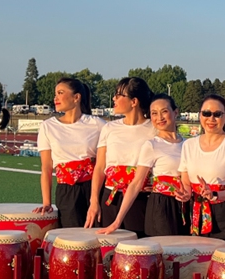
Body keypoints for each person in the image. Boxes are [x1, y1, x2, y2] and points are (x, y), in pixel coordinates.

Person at [100, 95, 191, 237]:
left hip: (186, 208)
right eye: (154, 113)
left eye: (164, 111)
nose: (159, 117)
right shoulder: (152, 145)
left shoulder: (189, 144)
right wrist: (117, 221)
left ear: (175, 112)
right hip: (162, 209)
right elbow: (136, 183)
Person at [178, 94, 225, 247]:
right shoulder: (188, 145)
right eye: (206, 113)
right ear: (200, 115)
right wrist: (184, 193)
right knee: (200, 263)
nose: (211, 119)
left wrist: (215, 195)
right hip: (198, 211)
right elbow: (186, 182)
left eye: (217, 114)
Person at [33, 77, 106, 228]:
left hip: (95, 188)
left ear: (76, 97)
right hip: (67, 191)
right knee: (73, 239)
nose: (56, 98)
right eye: (55, 94)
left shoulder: (97, 124)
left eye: (60, 93)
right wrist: (46, 202)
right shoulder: (48, 126)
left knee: (98, 237)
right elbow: (46, 167)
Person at [91, 77, 155, 235]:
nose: (114, 98)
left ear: (134, 101)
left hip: (140, 199)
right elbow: (100, 167)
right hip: (110, 198)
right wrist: (94, 201)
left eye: (119, 95)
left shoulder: (154, 128)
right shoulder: (109, 128)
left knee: (137, 249)